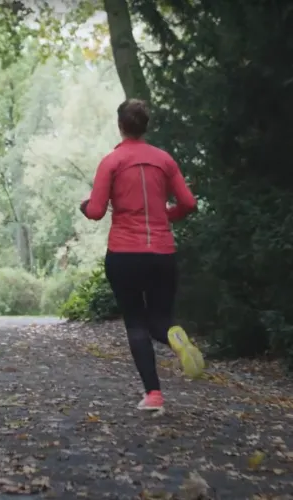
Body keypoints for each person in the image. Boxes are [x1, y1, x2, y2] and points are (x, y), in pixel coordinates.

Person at [79, 98, 204, 413]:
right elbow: (189, 203)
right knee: (160, 321)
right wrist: (165, 217)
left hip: (124, 255)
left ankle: (154, 396)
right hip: (162, 254)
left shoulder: (112, 162)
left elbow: (95, 211)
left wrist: (84, 207)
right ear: (145, 126)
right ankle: (175, 337)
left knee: (136, 324)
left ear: (120, 126)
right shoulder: (165, 160)